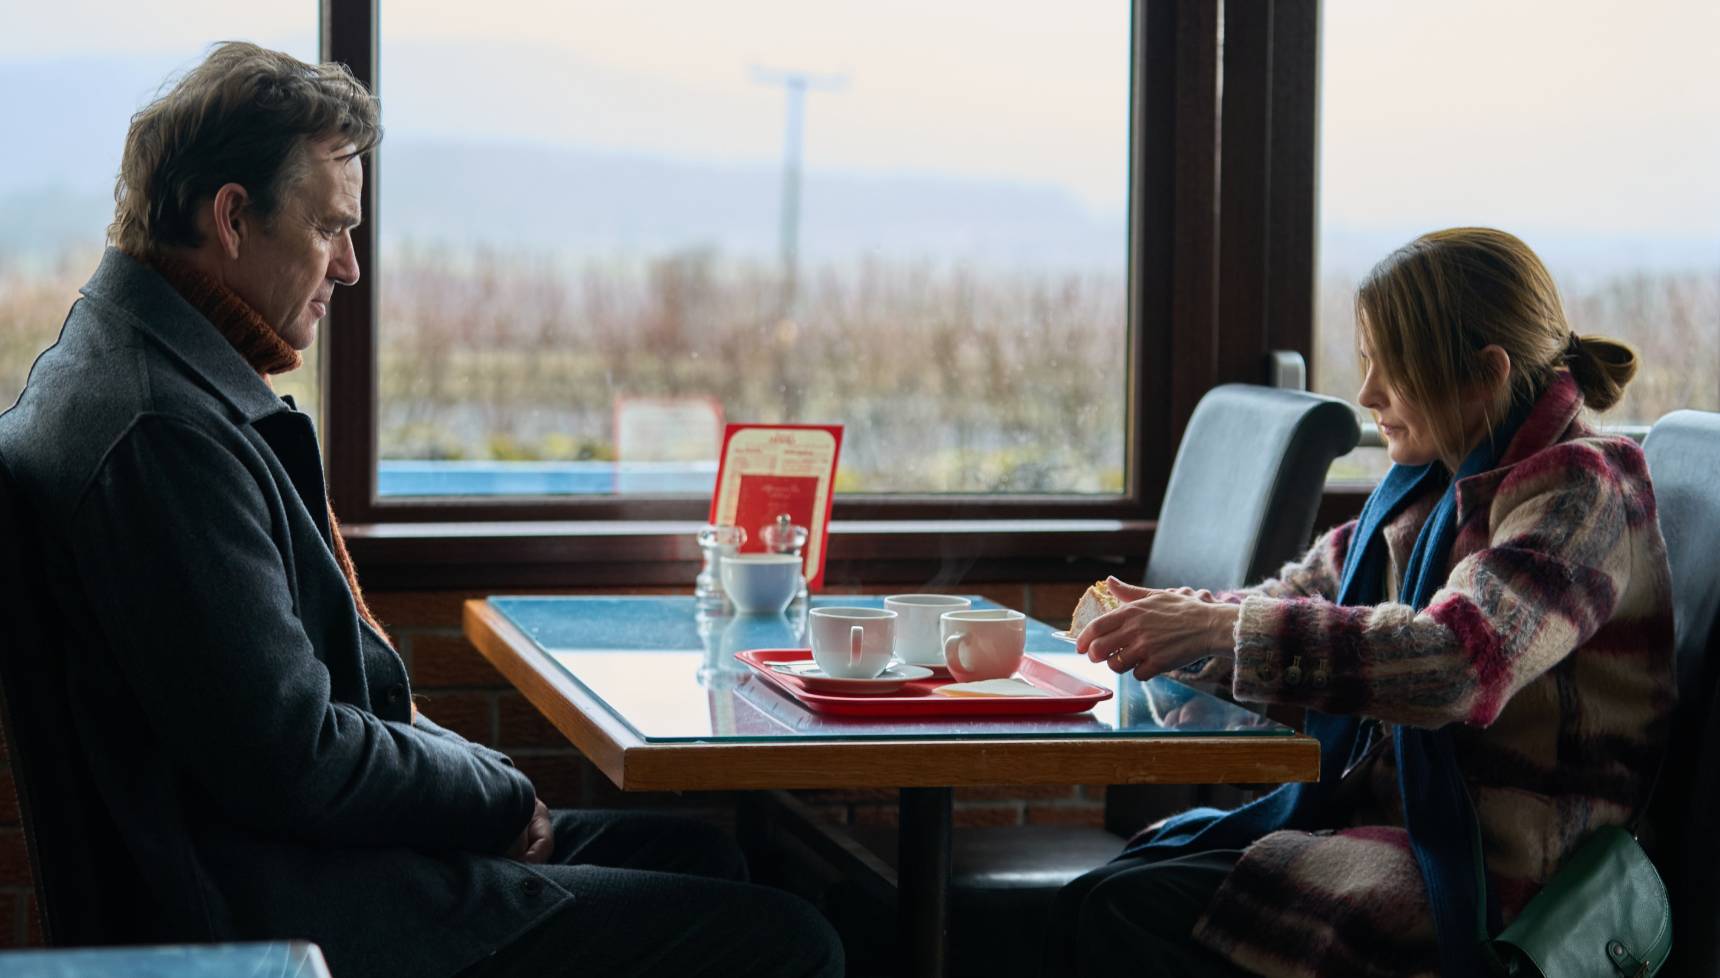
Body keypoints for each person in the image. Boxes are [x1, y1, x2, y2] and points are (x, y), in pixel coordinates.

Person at [0, 42, 841, 978]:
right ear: (233, 217)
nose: (351, 268)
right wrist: (492, 794)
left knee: (699, 855)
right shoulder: (162, 435)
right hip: (307, 908)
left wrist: (485, 788)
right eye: (330, 229)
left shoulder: (129, 365)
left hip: (296, 865)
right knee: (786, 942)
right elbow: (298, 757)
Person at [1045, 227, 1675, 977]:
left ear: (1484, 375)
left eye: (1391, 368)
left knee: (1123, 909)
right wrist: (1173, 623)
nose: (1368, 393)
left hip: (1510, 875)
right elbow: (1299, 599)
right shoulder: (1434, 483)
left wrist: (1216, 627)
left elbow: (1454, 662)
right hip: (1398, 826)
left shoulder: (1580, 491)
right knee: (1114, 887)